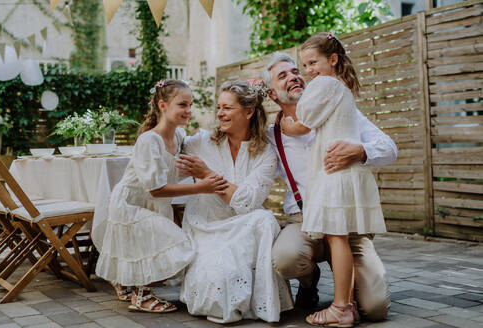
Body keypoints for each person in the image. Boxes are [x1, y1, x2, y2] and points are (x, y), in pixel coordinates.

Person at [262, 50, 396, 322]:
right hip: (304, 219)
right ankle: (309, 282)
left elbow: (389, 148)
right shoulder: (271, 137)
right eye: (283, 75)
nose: (294, 76)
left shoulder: (341, 110)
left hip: (347, 223)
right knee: (286, 259)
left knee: (376, 309)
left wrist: (359, 151)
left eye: (296, 71)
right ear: (273, 94)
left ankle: (346, 290)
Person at [95, 79, 229, 313]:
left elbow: (177, 170)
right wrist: (202, 187)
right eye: (182, 105)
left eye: (190, 104)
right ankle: (141, 296)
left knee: (149, 247)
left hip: (154, 204)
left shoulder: (178, 136)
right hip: (132, 203)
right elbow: (155, 189)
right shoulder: (149, 140)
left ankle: (125, 281)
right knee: (174, 243)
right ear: (162, 105)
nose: (188, 110)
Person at [176, 80, 294, 324]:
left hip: (244, 226)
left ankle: (261, 302)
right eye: (219, 107)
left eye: (227, 108)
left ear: (249, 111)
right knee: (215, 292)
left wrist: (208, 174)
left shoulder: (265, 153)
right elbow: (168, 148)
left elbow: (247, 203)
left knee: (264, 218)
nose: (220, 113)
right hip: (206, 226)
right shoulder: (200, 142)